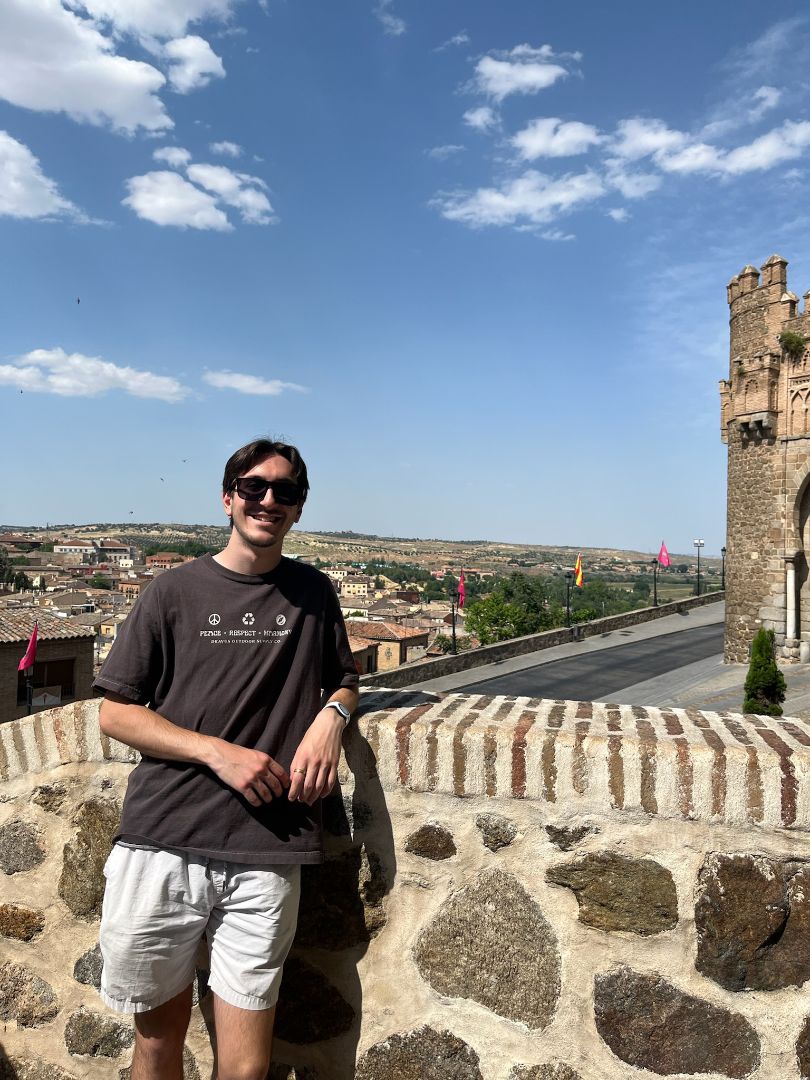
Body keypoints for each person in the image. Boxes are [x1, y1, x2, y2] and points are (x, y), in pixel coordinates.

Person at [94, 438, 360, 1080]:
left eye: (285, 491)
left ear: (298, 509)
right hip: (164, 841)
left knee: (245, 1066)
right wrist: (218, 754)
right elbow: (114, 711)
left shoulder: (313, 594)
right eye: (254, 487)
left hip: (266, 852)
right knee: (156, 1048)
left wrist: (332, 717)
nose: (269, 500)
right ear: (228, 497)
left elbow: (346, 679)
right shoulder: (172, 591)